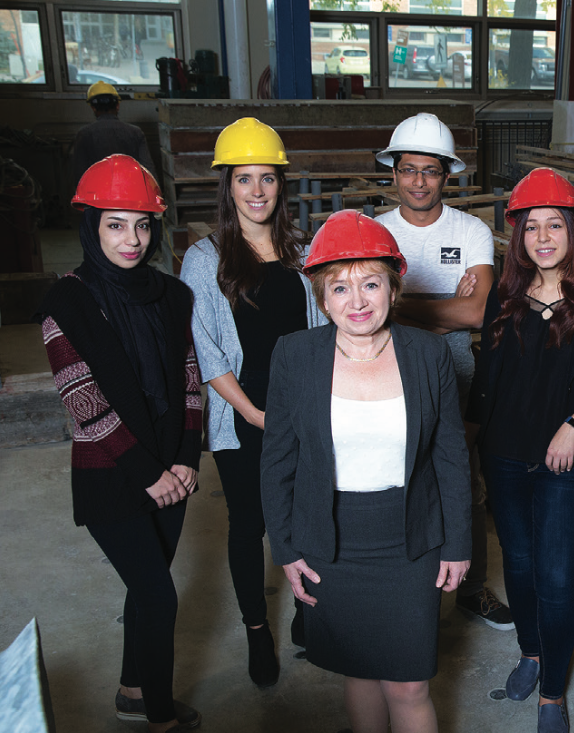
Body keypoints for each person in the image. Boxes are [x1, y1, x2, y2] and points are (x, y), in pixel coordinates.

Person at [260, 209, 471, 733]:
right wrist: (285, 548)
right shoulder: (294, 355)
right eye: (339, 288)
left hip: (410, 538)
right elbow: (278, 459)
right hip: (331, 540)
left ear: (393, 289)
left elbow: (450, 453)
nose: (357, 301)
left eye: (371, 283)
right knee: (358, 672)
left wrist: (458, 542)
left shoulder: (428, 353)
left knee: (408, 682)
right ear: (322, 298)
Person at [465, 168, 574, 733]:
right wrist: (477, 436)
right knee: (518, 563)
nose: (542, 237)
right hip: (506, 453)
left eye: (553, 225)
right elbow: (490, 376)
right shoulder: (506, 295)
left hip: (566, 458)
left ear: (573, 230)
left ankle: (553, 693)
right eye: (531, 226)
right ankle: (531, 652)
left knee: (558, 579)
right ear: (517, 234)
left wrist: (573, 427)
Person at [37, 154, 202, 733]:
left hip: (172, 471)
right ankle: (159, 715)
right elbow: (85, 404)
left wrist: (184, 460)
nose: (132, 239)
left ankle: (133, 690)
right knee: (159, 595)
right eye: (115, 223)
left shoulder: (173, 295)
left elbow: (188, 379)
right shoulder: (66, 303)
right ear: (90, 225)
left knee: (144, 587)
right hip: (114, 474)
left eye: (142, 224)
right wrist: (150, 473)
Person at [180, 117, 325, 688]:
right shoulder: (205, 258)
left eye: (267, 178)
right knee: (249, 525)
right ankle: (255, 631)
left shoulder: (303, 251)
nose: (258, 191)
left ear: (280, 185)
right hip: (244, 415)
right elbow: (205, 347)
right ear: (228, 186)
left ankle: (306, 614)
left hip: (303, 410)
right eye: (245, 180)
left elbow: (325, 328)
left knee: (308, 518)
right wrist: (252, 412)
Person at [375, 111, 512, 630]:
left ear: (446, 176)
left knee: (461, 478)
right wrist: (439, 308)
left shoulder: (472, 230)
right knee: (394, 474)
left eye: (429, 171)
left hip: (456, 368)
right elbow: (356, 312)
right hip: (386, 366)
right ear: (393, 172)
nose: (418, 181)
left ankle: (472, 588)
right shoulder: (375, 231)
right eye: (408, 169)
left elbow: (477, 313)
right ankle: (401, 581)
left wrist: (394, 303)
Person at [72, 81, 156, 181]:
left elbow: (79, 175)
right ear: (117, 106)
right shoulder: (136, 133)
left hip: (97, 193)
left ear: (93, 108)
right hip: (131, 191)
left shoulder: (84, 134)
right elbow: (149, 172)